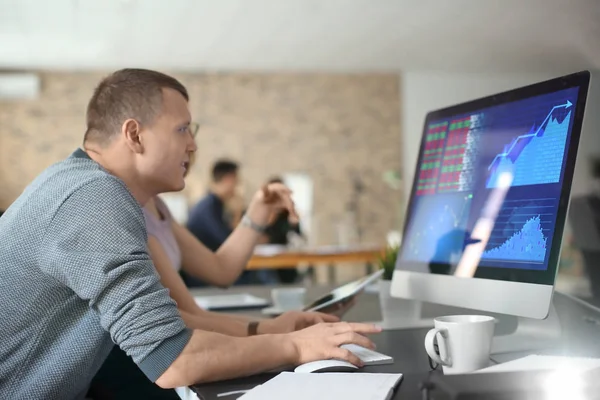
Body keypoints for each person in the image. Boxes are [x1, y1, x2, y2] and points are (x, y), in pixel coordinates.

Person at [0, 68, 380, 399]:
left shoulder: (77, 183)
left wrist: (264, 331)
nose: (193, 144)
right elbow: (174, 359)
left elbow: (169, 320)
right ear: (134, 135)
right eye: (182, 129)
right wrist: (293, 347)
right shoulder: (94, 198)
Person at [184, 160, 266, 286]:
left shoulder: (214, 204)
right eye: (236, 180)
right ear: (229, 179)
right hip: (203, 277)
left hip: (211, 270)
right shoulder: (209, 207)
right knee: (259, 278)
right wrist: (240, 213)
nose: (238, 185)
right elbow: (228, 241)